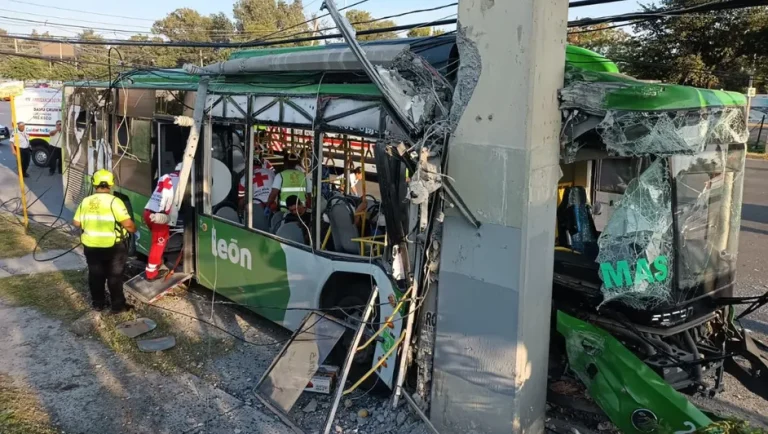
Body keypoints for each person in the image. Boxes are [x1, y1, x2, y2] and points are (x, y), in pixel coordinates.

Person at [73, 169, 136, 313]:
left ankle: (98, 304)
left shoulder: (86, 201)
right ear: (111, 184)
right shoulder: (115, 201)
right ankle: (118, 306)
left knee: (95, 275)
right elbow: (127, 224)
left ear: (94, 183)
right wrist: (134, 229)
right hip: (114, 247)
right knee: (114, 277)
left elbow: (77, 223)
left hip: (91, 246)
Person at [143, 163, 182, 281]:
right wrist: (164, 212)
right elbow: (168, 196)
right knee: (158, 245)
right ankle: (151, 274)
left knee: (157, 241)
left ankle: (157, 262)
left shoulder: (165, 176)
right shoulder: (181, 180)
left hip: (148, 212)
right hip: (158, 216)